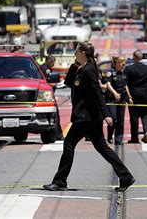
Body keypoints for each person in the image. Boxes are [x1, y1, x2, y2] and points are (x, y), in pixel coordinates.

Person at [43, 42, 135, 192]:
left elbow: (97, 92)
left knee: (69, 144)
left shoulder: (90, 69)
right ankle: (126, 177)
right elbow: (68, 83)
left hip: (87, 116)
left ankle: (60, 181)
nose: (75, 53)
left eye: (77, 51)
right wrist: (74, 66)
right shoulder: (82, 68)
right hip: (88, 116)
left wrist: (106, 114)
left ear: (83, 53)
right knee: (102, 148)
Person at [124, 50, 147, 143]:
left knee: (134, 117)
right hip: (145, 95)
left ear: (134, 57)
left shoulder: (129, 69)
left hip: (133, 95)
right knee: (146, 115)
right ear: (142, 57)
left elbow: (125, 83)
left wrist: (128, 96)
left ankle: (134, 138)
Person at [106, 56, 131, 145]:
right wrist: (115, 93)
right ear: (116, 64)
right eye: (121, 63)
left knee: (120, 120)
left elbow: (125, 86)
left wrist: (129, 97)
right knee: (113, 118)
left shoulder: (123, 74)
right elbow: (108, 84)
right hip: (112, 99)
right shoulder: (110, 73)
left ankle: (118, 139)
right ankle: (109, 135)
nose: (123, 64)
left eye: (123, 63)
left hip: (122, 99)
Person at [40, 55, 63, 140]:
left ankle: (57, 134)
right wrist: (55, 84)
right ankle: (58, 135)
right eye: (53, 62)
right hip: (47, 96)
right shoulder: (45, 69)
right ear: (50, 61)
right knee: (55, 115)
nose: (53, 65)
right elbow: (46, 81)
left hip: (47, 95)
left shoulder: (44, 68)